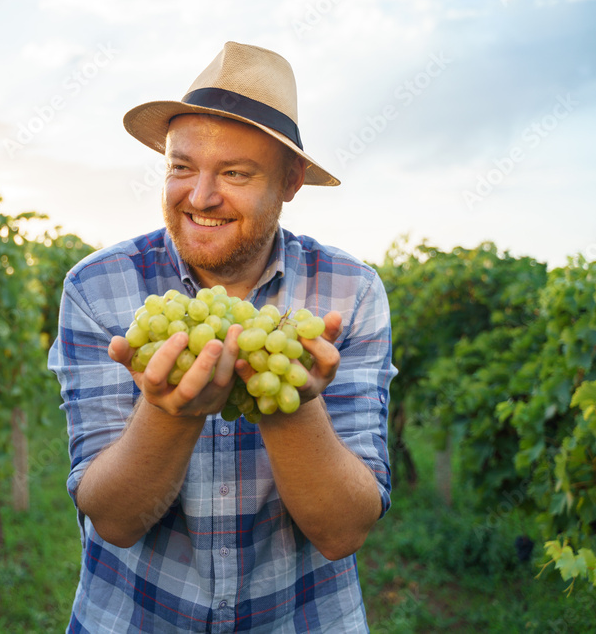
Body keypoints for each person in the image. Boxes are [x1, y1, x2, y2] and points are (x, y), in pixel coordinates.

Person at [48, 41, 396, 633]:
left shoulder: (351, 291)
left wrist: (289, 405)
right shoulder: (97, 286)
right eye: (181, 167)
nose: (200, 196)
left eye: (234, 173)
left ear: (291, 182)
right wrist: (169, 413)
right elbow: (114, 521)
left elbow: (342, 532)